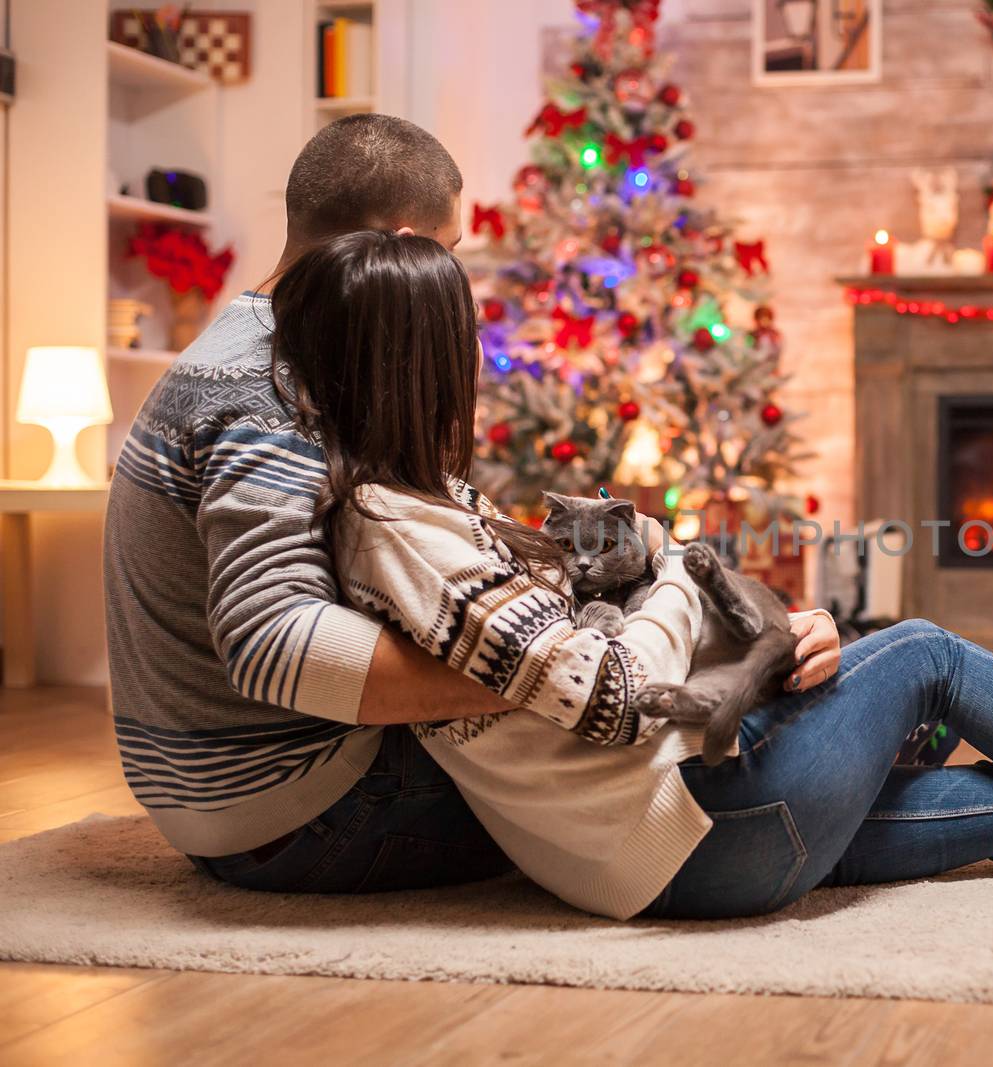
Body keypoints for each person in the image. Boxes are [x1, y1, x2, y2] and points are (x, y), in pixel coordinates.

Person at [271, 228, 993, 921]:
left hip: (677, 845)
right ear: (420, 361)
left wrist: (699, 608)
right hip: (689, 826)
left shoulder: (418, 509)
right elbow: (614, 694)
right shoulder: (395, 528)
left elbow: (583, 661)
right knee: (925, 652)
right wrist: (680, 569)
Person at [102, 113, 844, 894]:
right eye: (450, 252)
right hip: (297, 807)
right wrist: (537, 665)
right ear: (402, 246)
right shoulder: (275, 387)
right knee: (704, 763)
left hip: (220, 796)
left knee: (732, 731)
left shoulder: (249, 350)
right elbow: (272, 643)